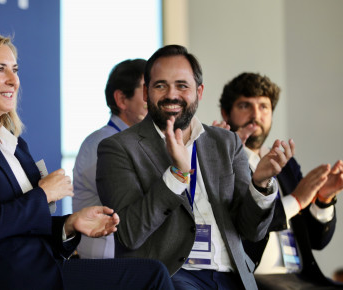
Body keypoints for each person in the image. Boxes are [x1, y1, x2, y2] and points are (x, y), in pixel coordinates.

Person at [0, 32, 174, 290]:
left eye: (15, 70)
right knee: (151, 276)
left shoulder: (13, 142)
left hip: (35, 269)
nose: (13, 81)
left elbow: (23, 222)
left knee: (153, 271)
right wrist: (43, 194)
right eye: (0, 69)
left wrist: (69, 224)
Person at [96, 44, 296, 289]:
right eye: (160, 85)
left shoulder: (227, 142)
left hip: (233, 276)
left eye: (182, 85)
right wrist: (176, 175)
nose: (171, 94)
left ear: (199, 92)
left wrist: (260, 184)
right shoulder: (118, 148)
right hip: (171, 276)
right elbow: (129, 233)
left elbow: (252, 231)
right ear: (147, 92)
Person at [218, 72, 343, 289]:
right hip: (254, 279)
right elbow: (242, 230)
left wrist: (323, 199)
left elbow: (317, 241)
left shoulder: (286, 165)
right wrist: (296, 200)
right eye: (245, 105)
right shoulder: (220, 163)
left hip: (300, 278)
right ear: (225, 113)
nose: (256, 114)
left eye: (264, 106)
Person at [72, 59, 146, 259]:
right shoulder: (102, 143)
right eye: (147, 91)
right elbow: (132, 203)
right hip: (106, 263)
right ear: (122, 99)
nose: (156, 99)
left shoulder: (138, 141)